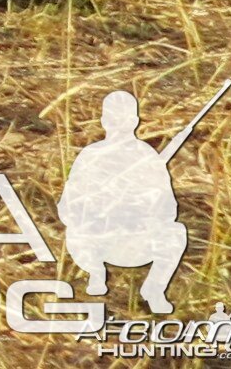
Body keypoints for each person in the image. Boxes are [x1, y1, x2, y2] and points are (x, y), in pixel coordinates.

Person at [58, 90, 189, 315]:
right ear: (103, 121)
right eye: (113, 119)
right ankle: (96, 274)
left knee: (176, 233)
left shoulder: (148, 157)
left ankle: (154, 288)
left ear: (135, 121)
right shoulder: (91, 156)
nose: (118, 124)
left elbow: (169, 209)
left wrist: (141, 206)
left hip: (138, 241)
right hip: (97, 242)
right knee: (74, 232)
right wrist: (98, 208)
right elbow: (67, 206)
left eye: (124, 119)